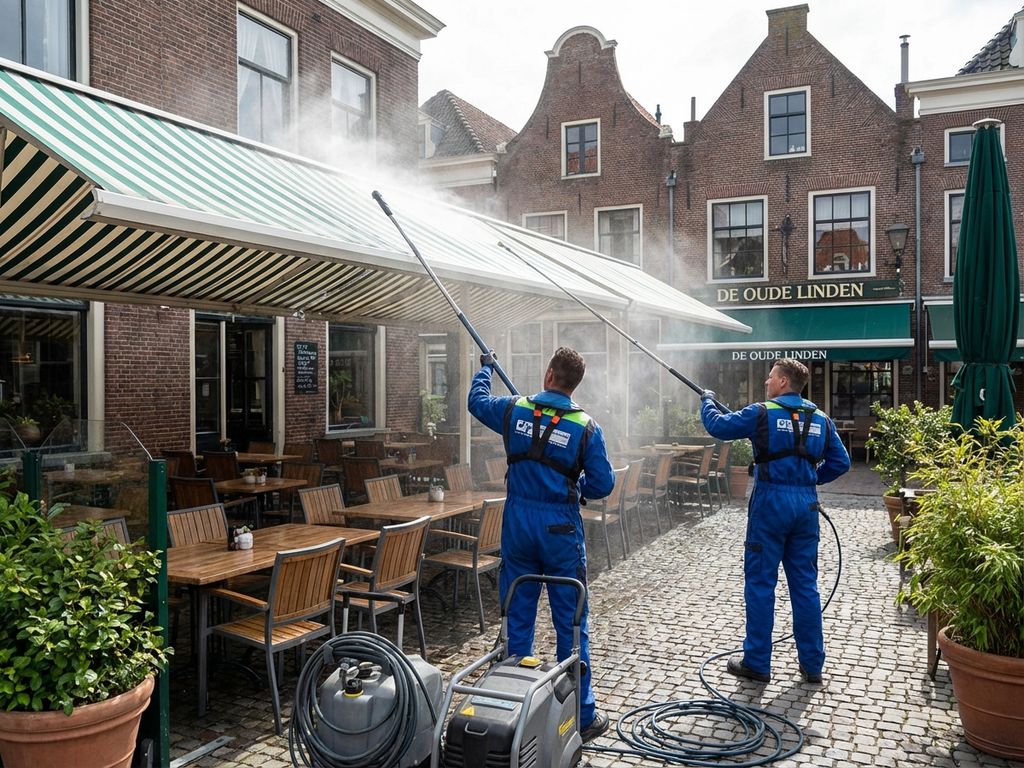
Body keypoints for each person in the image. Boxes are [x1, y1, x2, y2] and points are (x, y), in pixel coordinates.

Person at [468, 346, 615, 742]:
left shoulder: (514, 409)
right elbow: (603, 484)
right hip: (560, 530)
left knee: (518, 612)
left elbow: (476, 401)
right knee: (570, 621)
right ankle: (582, 715)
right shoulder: (586, 427)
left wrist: (486, 369)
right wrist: (575, 482)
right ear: (572, 383)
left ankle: (514, 705)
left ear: (549, 374)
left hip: (518, 525)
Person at [699, 358, 850, 684]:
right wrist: (811, 479)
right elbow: (841, 462)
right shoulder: (821, 419)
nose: (767, 383)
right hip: (805, 505)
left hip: (770, 504)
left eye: (770, 378)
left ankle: (757, 662)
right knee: (805, 586)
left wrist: (707, 400)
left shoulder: (762, 412)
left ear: (783, 382)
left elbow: (719, 427)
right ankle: (812, 666)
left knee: (760, 584)